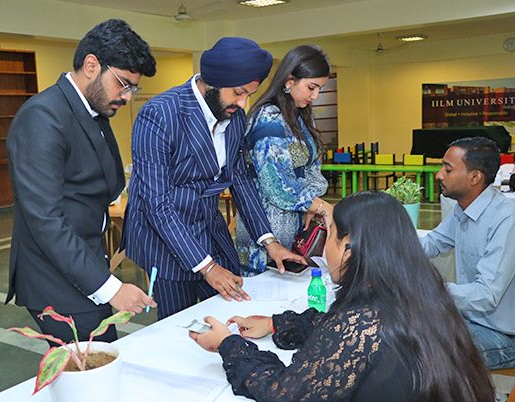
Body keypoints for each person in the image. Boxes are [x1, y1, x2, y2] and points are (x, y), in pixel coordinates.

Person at [189, 191, 494, 402]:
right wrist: (274, 324)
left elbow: (285, 393)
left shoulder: (362, 321)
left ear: (349, 246)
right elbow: (338, 327)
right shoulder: (418, 290)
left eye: (330, 233)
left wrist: (228, 344)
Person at [121, 37, 306, 320]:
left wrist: (270, 242)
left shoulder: (235, 116)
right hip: (166, 236)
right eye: (238, 93)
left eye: (250, 94)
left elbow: (240, 179)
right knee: (180, 325)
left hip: (209, 228)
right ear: (212, 82)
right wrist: (207, 267)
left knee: (231, 315)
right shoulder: (160, 114)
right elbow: (156, 204)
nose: (243, 103)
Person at [5, 19, 157, 344]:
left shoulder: (92, 110)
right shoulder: (43, 116)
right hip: (54, 276)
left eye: (132, 88)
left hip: (84, 262)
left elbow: (103, 184)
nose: (126, 96)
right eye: (123, 84)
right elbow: (45, 220)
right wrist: (111, 288)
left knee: (104, 356)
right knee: (96, 362)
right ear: (91, 65)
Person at [236, 45, 333, 276]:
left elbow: (312, 168)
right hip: (265, 230)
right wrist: (321, 206)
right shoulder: (268, 117)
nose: (315, 96)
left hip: (296, 226)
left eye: (319, 89)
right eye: (311, 87)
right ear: (289, 81)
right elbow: (277, 185)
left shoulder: (300, 117)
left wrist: (311, 203)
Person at [420, 136, 515, 370]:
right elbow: (432, 243)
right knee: (402, 330)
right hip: (469, 319)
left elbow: (486, 294)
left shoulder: (506, 218)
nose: (439, 175)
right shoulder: (462, 210)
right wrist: (385, 254)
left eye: (447, 169)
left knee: (427, 354)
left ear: (475, 177)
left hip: (503, 335)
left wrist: (428, 291)